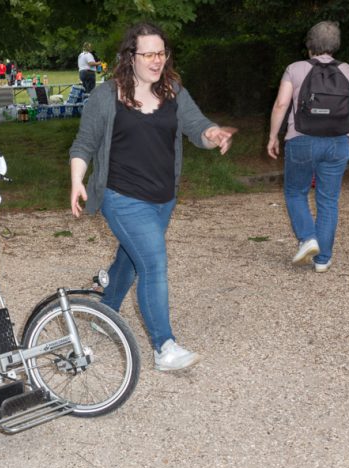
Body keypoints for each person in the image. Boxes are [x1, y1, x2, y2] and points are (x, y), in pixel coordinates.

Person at [69, 22, 236, 372]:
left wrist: (213, 134)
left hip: (164, 197)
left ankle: (104, 312)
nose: (157, 60)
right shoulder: (106, 96)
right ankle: (164, 346)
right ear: (130, 57)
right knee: (153, 263)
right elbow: (84, 144)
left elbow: (197, 128)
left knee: (132, 258)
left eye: (161, 53)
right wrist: (77, 181)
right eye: (148, 54)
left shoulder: (173, 90)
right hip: (122, 197)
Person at [266, 21, 349, 273]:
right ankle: (323, 260)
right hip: (337, 142)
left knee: (296, 192)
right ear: (336, 45)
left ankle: (308, 238)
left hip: (301, 140)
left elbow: (280, 104)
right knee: (328, 200)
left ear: (309, 44)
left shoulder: (295, 69)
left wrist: (273, 136)